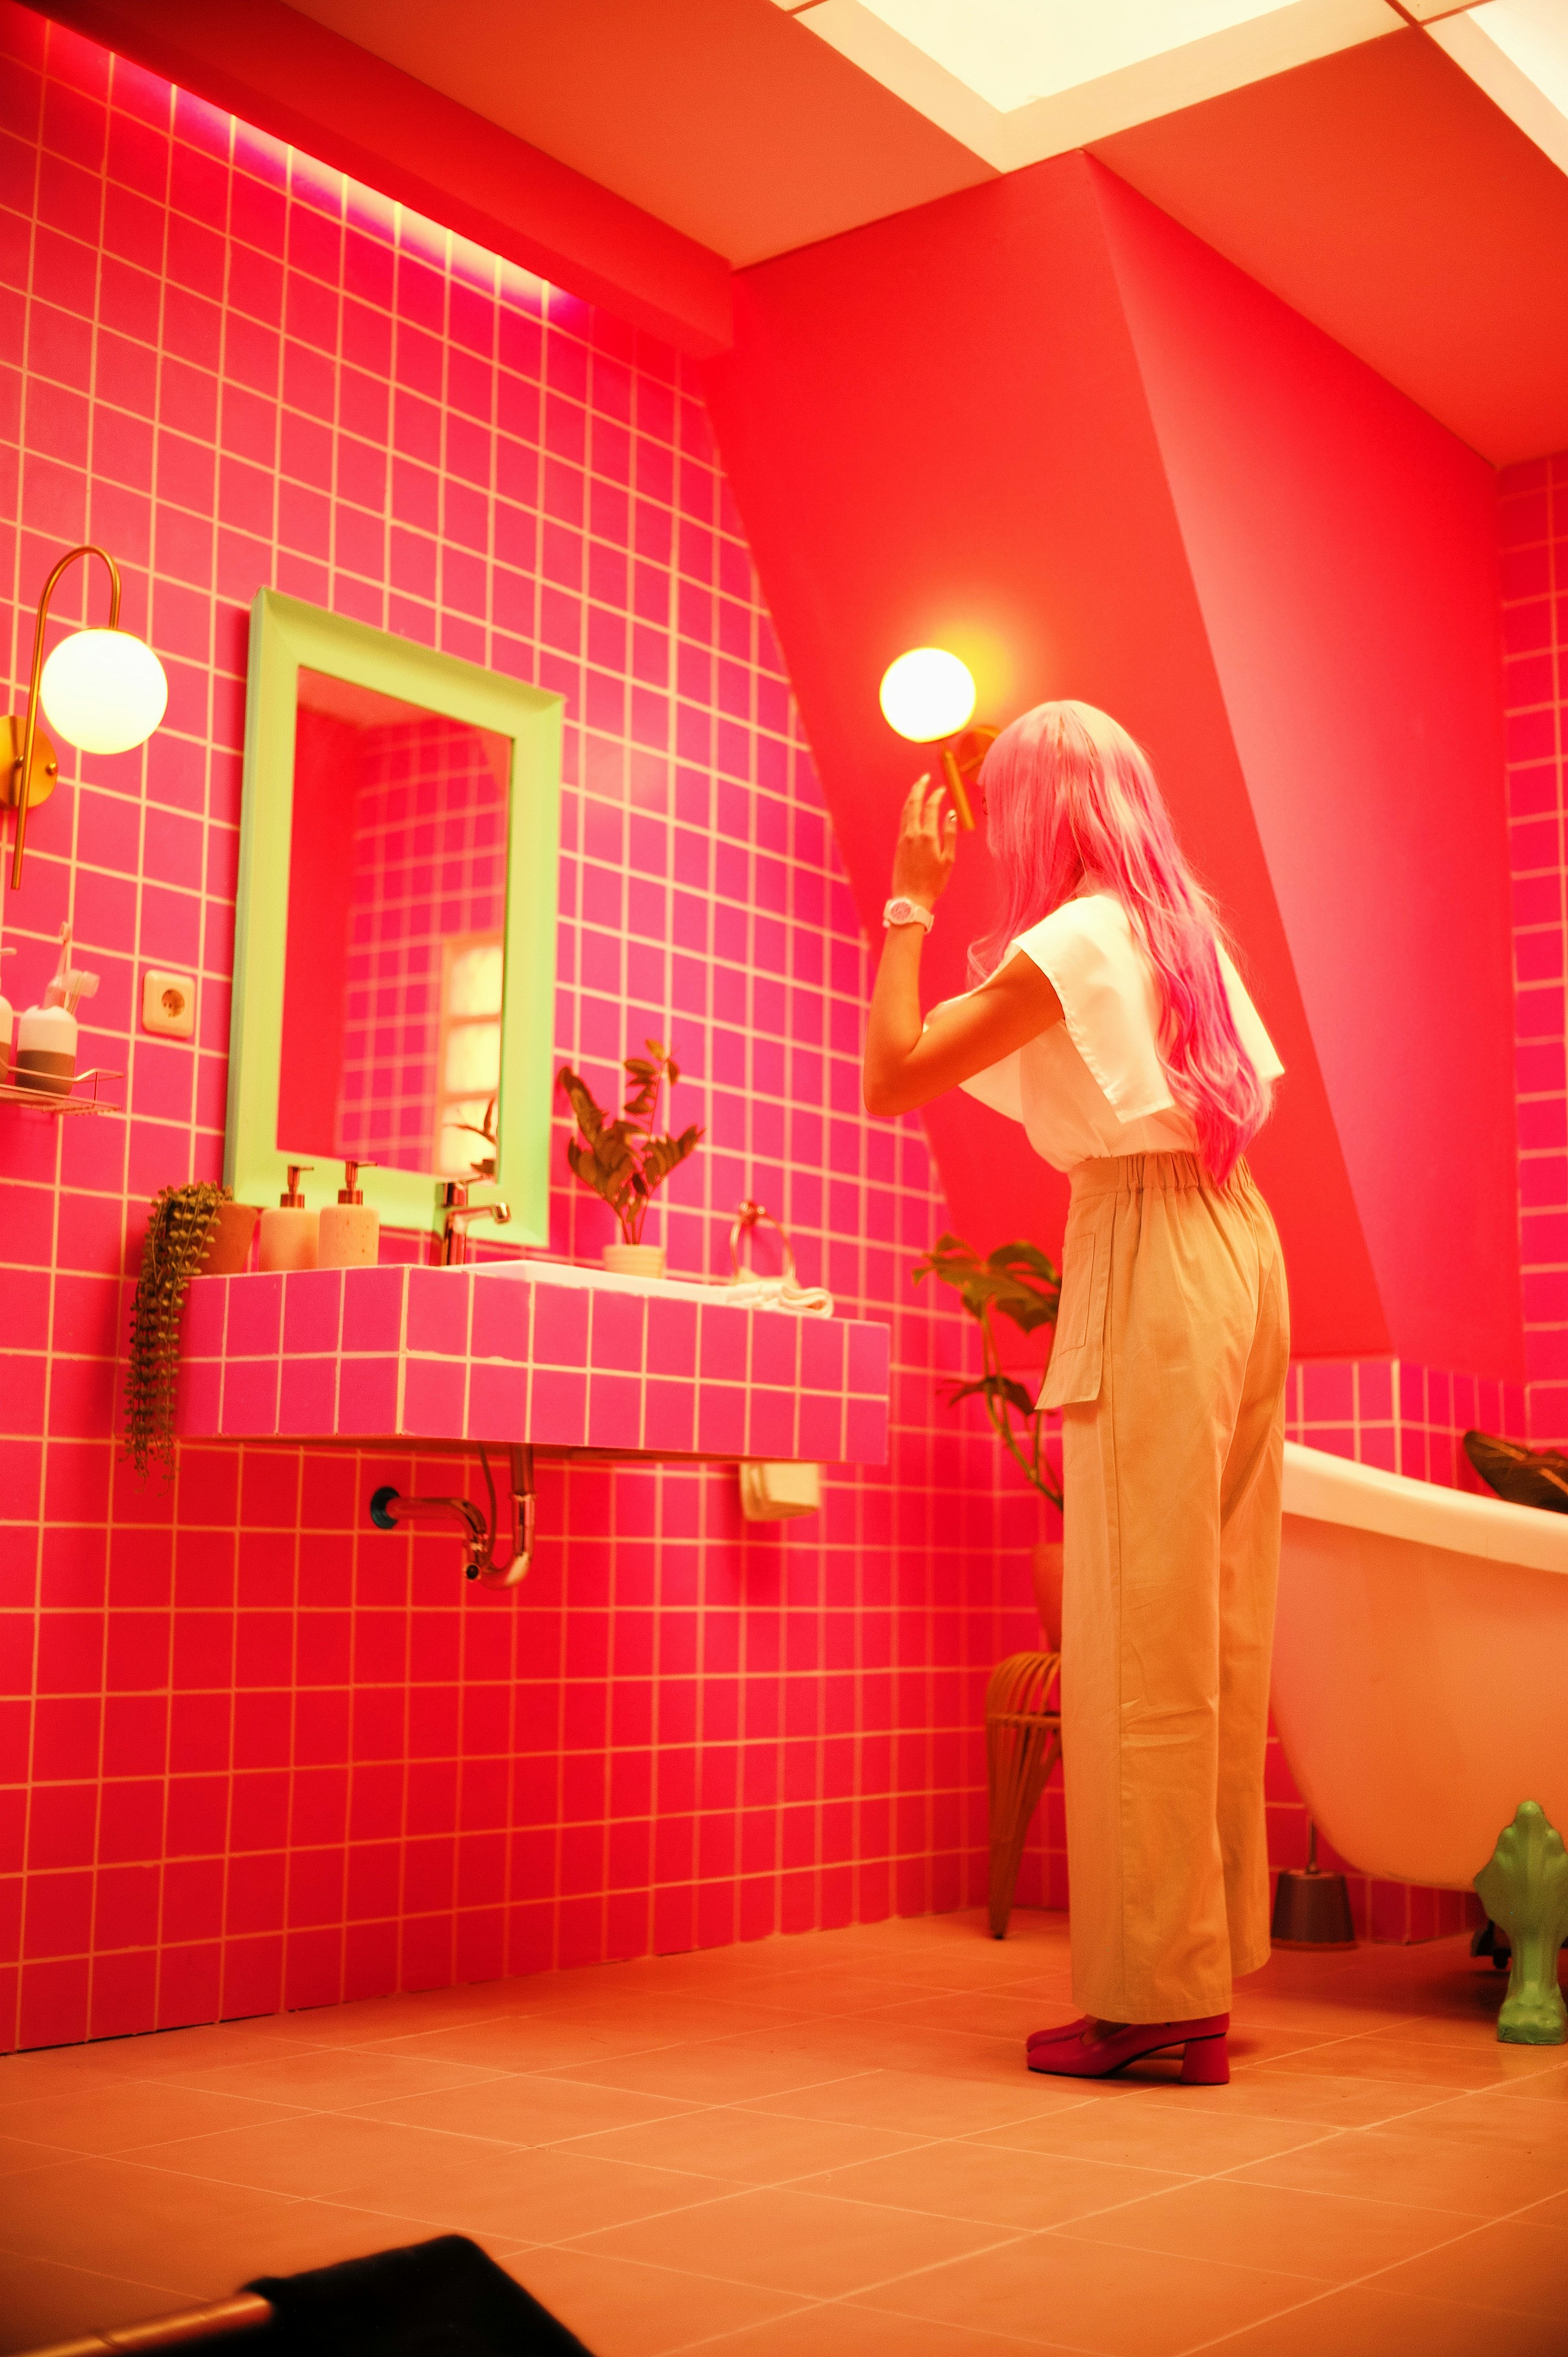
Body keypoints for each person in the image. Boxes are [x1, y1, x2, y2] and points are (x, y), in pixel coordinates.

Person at [863, 699, 1287, 2087]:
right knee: (1214, 1617)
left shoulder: (1079, 936)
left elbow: (893, 1075)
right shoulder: (1183, 930)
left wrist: (907, 907)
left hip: (1157, 1245)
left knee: (1136, 1630)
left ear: (1046, 811)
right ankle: (1200, 1959)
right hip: (1239, 1239)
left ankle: (1155, 1997)